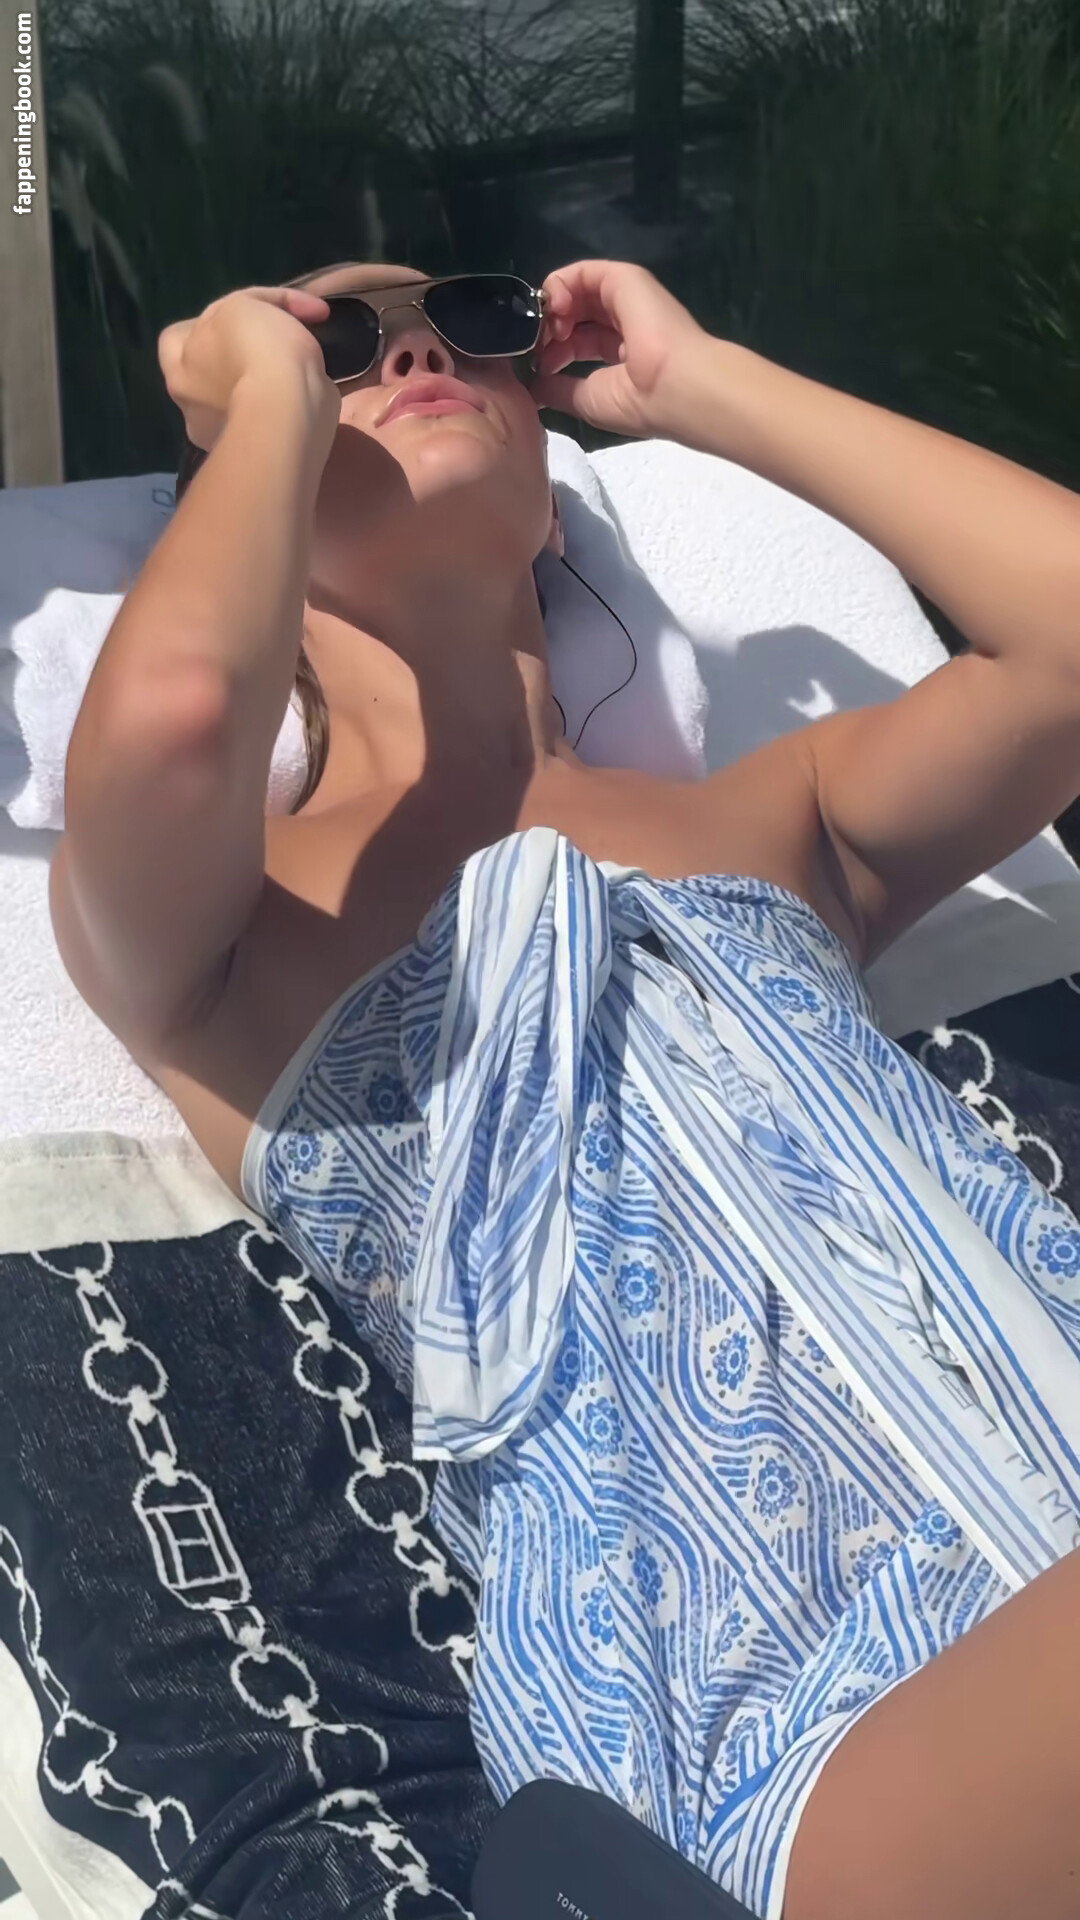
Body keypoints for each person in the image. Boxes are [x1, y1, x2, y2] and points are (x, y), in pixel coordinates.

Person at [51, 256, 1080, 1920]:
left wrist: (697, 387)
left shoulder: (775, 820)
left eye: (467, 323)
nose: (413, 353)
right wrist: (260, 399)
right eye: (345, 344)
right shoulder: (241, 939)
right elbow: (177, 712)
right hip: (772, 1712)